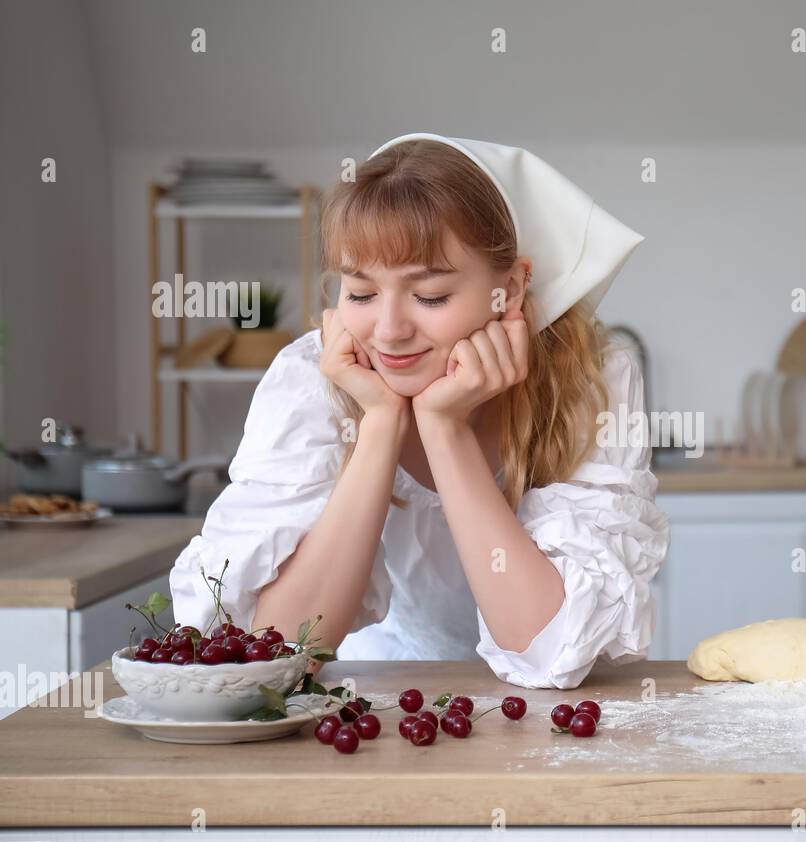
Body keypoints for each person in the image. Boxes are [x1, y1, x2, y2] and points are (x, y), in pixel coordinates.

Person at [169, 133, 668, 689]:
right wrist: (380, 425)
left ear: (512, 286)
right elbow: (276, 657)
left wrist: (444, 429)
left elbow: (550, 652)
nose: (389, 331)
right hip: (378, 697)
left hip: (549, 714)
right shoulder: (312, 378)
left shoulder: (589, 379)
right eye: (360, 293)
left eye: (429, 296)